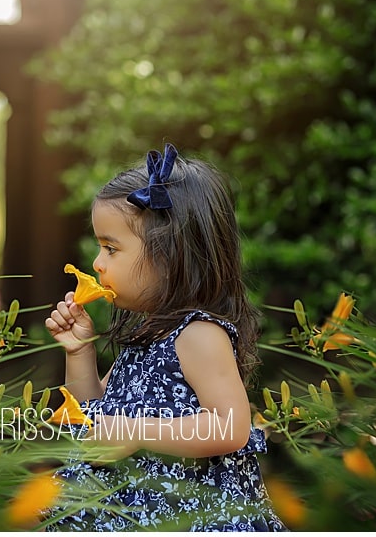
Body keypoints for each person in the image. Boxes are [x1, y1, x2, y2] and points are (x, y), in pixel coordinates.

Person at [43, 143, 285, 531]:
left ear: (169, 255)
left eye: (110, 248)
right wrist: (79, 351)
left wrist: (136, 432)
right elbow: (91, 415)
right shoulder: (148, 335)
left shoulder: (198, 335)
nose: (97, 263)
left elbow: (231, 427)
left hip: (188, 512)